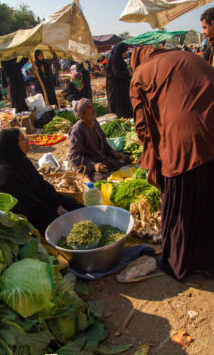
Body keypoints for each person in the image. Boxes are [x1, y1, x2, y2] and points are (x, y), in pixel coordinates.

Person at [130, 45, 214, 280]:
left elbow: (142, 126)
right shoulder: (189, 56)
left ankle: (181, 262)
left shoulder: (141, 74)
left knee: (181, 204)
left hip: (183, 141)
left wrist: (153, 162)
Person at [0, 128, 82, 235]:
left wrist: (58, 205)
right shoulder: (5, 177)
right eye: (22, 139)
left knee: (72, 205)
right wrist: (55, 213)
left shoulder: (22, 161)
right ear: (12, 146)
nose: (27, 141)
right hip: (24, 218)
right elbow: (30, 208)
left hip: (38, 202)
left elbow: (42, 184)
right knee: (63, 224)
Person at [68, 98, 130, 181]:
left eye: (92, 106)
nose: (93, 109)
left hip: (102, 159)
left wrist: (115, 153)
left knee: (126, 159)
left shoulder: (94, 122)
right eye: (89, 108)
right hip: (90, 163)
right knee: (101, 178)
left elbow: (104, 143)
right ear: (83, 114)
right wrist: (94, 166)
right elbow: (75, 156)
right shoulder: (77, 130)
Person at [106, 42, 133, 118]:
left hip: (120, 86)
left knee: (123, 104)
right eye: (125, 51)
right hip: (116, 87)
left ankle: (126, 117)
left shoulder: (118, 58)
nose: (126, 53)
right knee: (118, 105)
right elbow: (117, 72)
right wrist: (129, 74)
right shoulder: (114, 59)